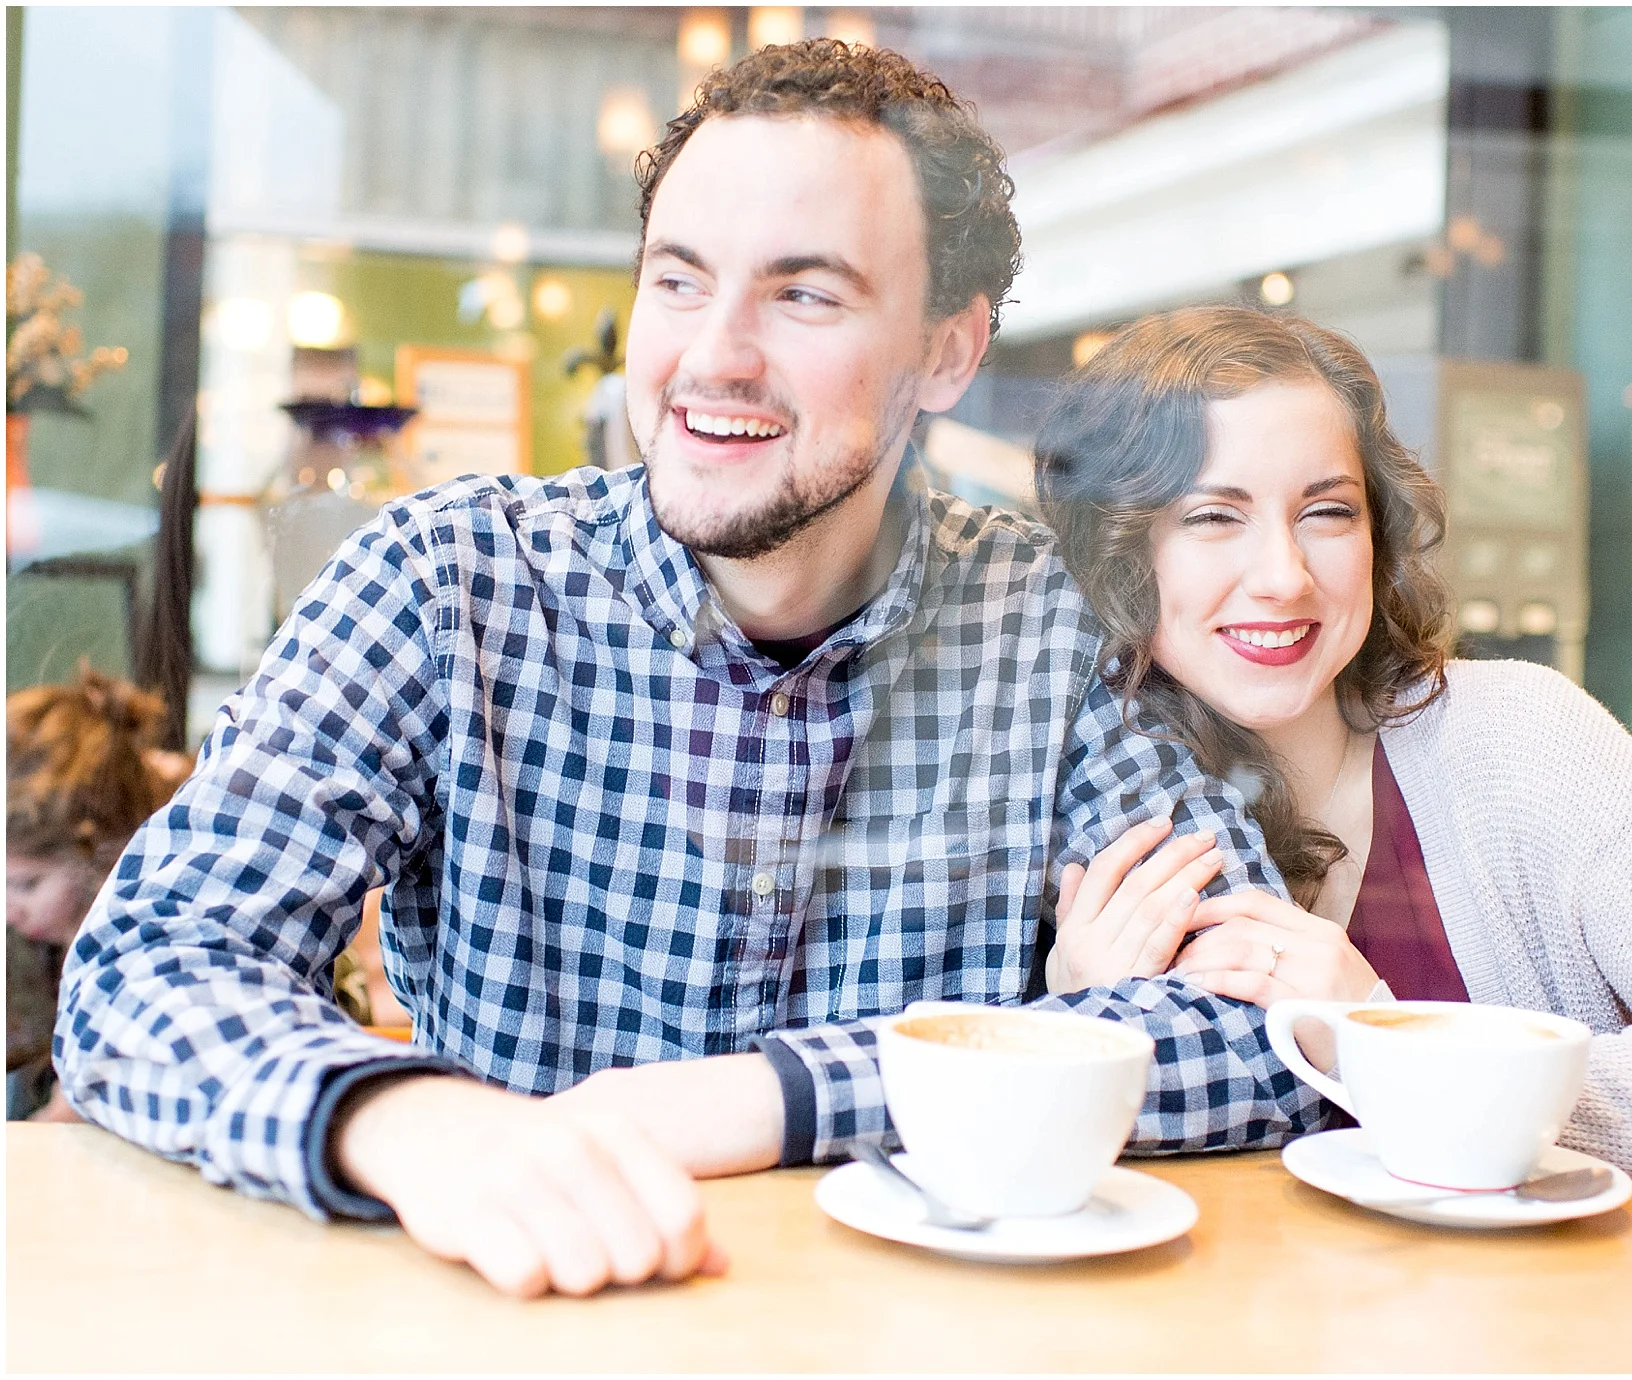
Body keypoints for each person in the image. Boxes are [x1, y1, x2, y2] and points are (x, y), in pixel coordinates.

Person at [56, 42, 1327, 1300]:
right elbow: (150, 965)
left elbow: (1254, 1036)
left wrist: (762, 1099)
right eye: (678, 282)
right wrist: (400, 1119)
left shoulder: (1058, 623)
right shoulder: (451, 580)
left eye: (804, 295)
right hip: (523, 1317)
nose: (710, 356)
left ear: (947, 352)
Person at [1034, 306, 1632, 1201]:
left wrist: (1395, 1047)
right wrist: (1076, 1025)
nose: (1284, 576)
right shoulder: (1062, 791)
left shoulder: (1514, 743)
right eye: (1214, 515)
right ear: (1119, 550)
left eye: (1328, 512)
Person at [7, 666, 190, 1120]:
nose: (8, 907)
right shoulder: (45, 927)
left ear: (107, 853)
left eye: (27, 884)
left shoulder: (141, 949)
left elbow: (66, 1114)